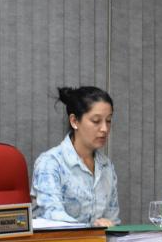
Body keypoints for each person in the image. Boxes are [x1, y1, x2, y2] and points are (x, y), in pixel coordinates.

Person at [31, 86, 120, 226]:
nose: (104, 129)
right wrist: (92, 229)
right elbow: (52, 217)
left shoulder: (106, 166)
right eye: (96, 121)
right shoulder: (51, 163)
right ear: (74, 121)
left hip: (98, 240)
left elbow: (113, 221)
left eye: (108, 121)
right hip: (61, 240)